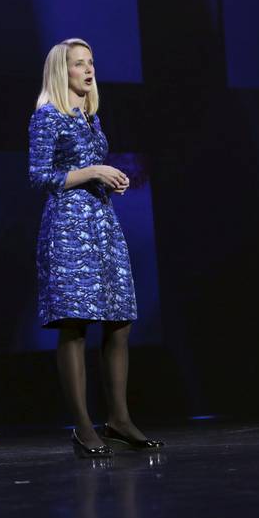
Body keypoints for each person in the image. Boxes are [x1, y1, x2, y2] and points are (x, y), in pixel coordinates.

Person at [29, 38, 164, 458]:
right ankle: (83, 426)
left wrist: (109, 178)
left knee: (119, 321)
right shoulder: (47, 117)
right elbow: (39, 176)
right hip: (69, 229)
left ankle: (119, 420)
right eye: (78, 65)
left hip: (102, 225)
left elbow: (90, 170)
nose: (88, 70)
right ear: (60, 71)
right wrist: (93, 171)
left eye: (90, 63)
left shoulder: (90, 117)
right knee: (74, 325)